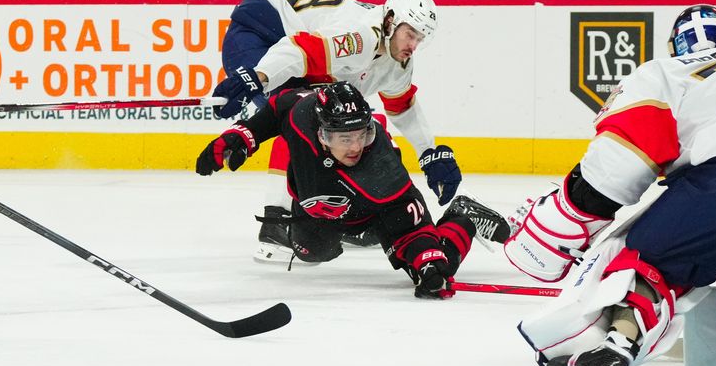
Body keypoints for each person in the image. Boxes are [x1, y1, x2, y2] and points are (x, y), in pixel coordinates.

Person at [504, 4, 716, 366]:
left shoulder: (669, 70)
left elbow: (618, 164)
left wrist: (561, 219)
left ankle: (617, 341)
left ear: (678, 44)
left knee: (641, 254)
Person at [196, 82, 508, 298]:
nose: (357, 146)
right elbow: (277, 109)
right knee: (310, 251)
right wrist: (242, 136)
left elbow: (410, 217)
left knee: (437, 265)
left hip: (373, 210)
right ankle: (345, 233)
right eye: (345, 138)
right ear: (321, 133)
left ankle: (461, 216)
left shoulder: (380, 168)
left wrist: (427, 259)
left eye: (362, 134)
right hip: (318, 205)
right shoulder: (302, 113)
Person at [212, 0, 462, 246]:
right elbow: (297, 51)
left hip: (291, 41)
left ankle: (349, 214)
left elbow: (402, 107)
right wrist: (257, 77)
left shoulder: (397, 60)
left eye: (419, 38)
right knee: (301, 112)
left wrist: (429, 153)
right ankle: (277, 220)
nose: (413, 45)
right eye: (410, 34)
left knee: (347, 124)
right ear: (390, 21)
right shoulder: (359, 36)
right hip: (261, 30)